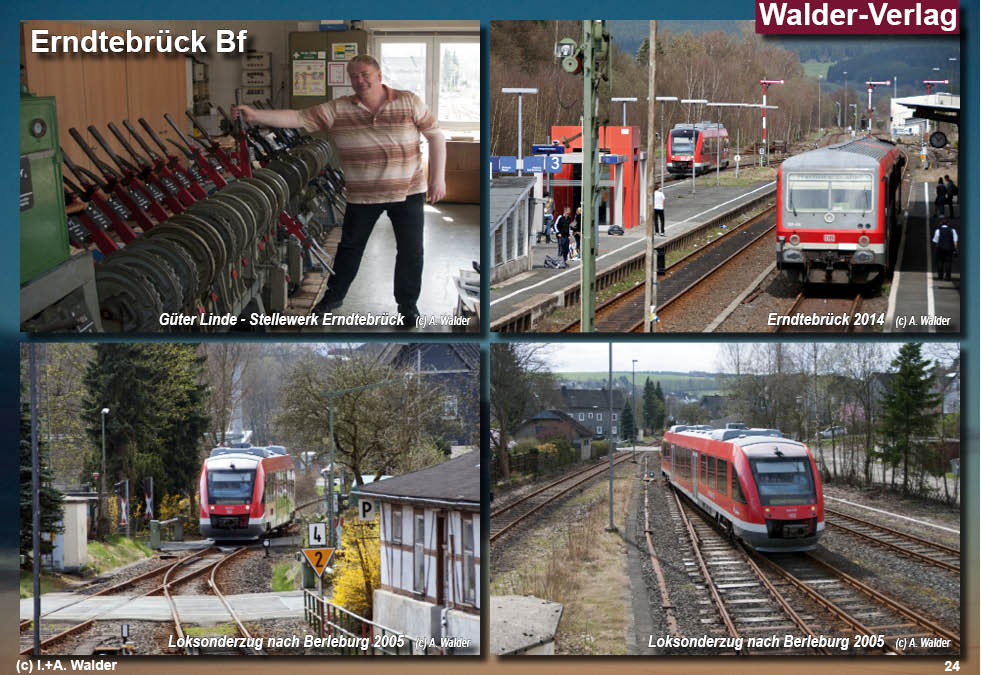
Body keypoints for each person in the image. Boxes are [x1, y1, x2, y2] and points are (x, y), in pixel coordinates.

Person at [233, 55, 446, 328]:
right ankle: (332, 299)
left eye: (365, 74)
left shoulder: (408, 101)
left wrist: (437, 179)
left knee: (411, 252)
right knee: (349, 249)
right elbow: (297, 117)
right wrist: (255, 115)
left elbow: (436, 135)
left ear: (379, 75)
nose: (360, 80)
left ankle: (407, 307)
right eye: (354, 76)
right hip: (363, 195)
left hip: (408, 191)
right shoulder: (338, 109)